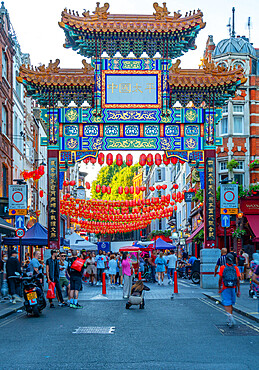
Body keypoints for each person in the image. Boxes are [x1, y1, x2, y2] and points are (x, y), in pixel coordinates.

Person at [218, 253, 241, 327]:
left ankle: (230, 316)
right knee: (230, 303)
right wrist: (238, 290)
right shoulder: (236, 268)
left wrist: (219, 287)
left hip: (225, 287)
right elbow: (238, 279)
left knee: (226, 302)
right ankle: (230, 318)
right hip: (233, 288)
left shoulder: (222, 267)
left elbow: (220, 278)